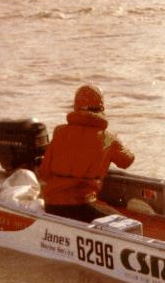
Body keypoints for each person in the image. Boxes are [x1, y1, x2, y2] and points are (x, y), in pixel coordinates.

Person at [38, 84, 135, 223]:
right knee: (127, 224)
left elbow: (44, 172)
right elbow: (127, 161)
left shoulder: (59, 132)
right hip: (83, 206)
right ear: (101, 108)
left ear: (76, 107)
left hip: (52, 206)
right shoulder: (108, 138)